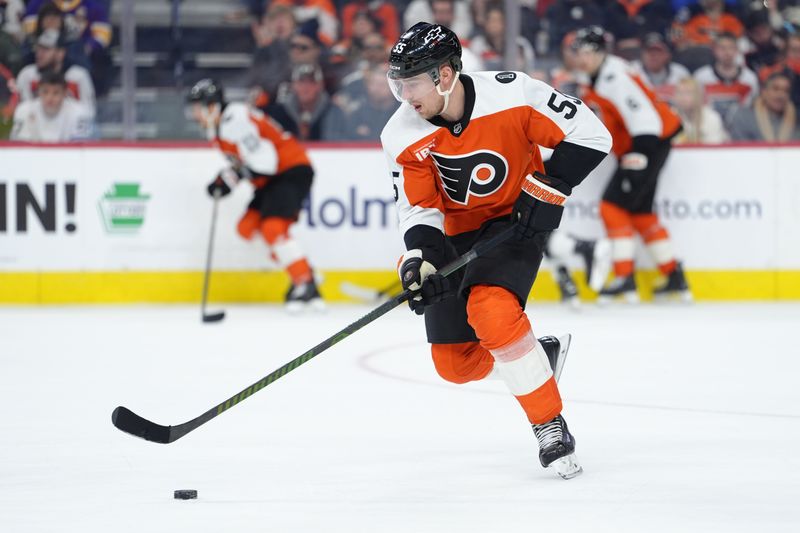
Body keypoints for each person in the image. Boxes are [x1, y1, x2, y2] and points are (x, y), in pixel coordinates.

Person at [381, 22, 612, 478]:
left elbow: (591, 135)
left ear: (445, 76)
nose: (405, 96)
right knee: (455, 365)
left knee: (492, 310)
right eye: (399, 83)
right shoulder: (401, 133)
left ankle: (549, 423)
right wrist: (419, 262)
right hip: (452, 233)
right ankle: (534, 359)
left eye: (412, 83)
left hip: (515, 224)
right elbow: (418, 209)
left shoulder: (514, 94)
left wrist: (547, 188)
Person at [572, 26, 692, 303]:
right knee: (639, 212)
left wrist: (638, 155)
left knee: (612, 206)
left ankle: (625, 279)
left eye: (588, 52)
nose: (582, 58)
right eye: (579, 52)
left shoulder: (615, 76)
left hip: (648, 143)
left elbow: (646, 119)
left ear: (601, 53)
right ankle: (674, 276)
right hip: (649, 143)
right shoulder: (598, 75)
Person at [187, 78, 324, 312]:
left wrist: (232, 178)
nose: (194, 114)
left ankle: (306, 284)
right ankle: (301, 270)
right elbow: (247, 163)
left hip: (290, 170)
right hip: (272, 178)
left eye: (197, 108)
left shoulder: (234, 120)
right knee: (247, 228)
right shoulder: (218, 127)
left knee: (272, 228)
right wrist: (226, 179)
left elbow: (266, 162)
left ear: (212, 106)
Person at [15, 28, 95, 116]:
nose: (39, 54)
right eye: (38, 48)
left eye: (45, 49)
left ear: (60, 53)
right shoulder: (27, 74)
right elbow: (22, 110)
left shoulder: (79, 76)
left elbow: (89, 112)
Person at [694, 32, 759, 127]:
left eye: (731, 48)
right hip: (710, 128)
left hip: (741, 128)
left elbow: (753, 108)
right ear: (714, 50)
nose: (727, 52)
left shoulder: (749, 78)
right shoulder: (701, 77)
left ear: (737, 50)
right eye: (722, 48)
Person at [10, 68, 93, 141]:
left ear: (64, 93)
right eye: (45, 92)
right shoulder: (24, 110)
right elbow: (18, 145)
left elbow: (80, 147)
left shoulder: (79, 112)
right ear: (39, 91)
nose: (50, 98)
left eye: (56, 93)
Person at [729, 71, 800, 141]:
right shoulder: (744, 118)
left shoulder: (796, 121)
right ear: (763, 91)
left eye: (786, 91)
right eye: (775, 89)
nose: (781, 95)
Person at [632, 32, 691, 105]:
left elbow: (689, 101)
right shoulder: (632, 71)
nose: (653, 56)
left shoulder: (680, 73)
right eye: (649, 51)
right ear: (642, 54)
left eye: (658, 51)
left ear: (667, 55)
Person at [672, 77, 729, 143]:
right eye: (679, 92)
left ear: (698, 95)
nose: (682, 97)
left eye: (688, 92)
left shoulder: (712, 117)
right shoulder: (671, 116)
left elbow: (714, 147)